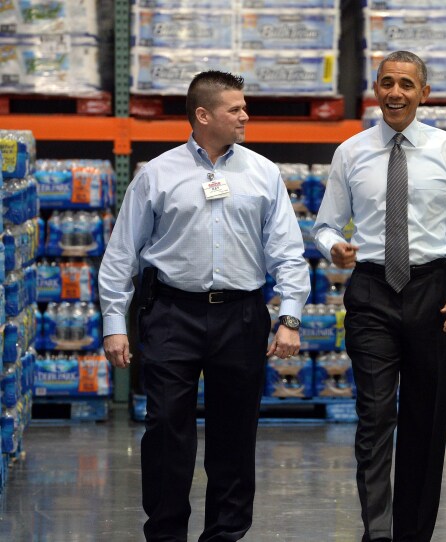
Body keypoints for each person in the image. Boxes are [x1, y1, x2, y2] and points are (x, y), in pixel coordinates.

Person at [98, 70, 310, 541]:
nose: (244, 115)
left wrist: (289, 317)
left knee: (234, 437)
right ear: (202, 115)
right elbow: (122, 254)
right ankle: (167, 534)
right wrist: (115, 323)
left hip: (242, 315)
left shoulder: (262, 173)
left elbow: (288, 252)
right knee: (166, 432)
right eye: (235, 108)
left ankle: (225, 535)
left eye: (244, 107)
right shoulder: (156, 174)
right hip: (172, 314)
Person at [313, 50, 446, 542]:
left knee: (425, 418)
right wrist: (334, 248)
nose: (395, 93)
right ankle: (380, 530)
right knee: (374, 413)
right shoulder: (351, 152)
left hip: (432, 289)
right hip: (371, 289)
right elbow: (324, 225)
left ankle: (413, 533)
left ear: (423, 93)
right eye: (387, 83)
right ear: (375, 90)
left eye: (406, 85)